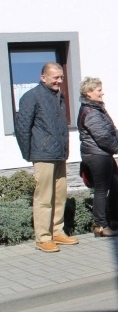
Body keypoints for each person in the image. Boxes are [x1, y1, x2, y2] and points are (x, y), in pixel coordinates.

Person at [14, 62, 78, 253]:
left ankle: (57, 231)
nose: (59, 81)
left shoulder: (58, 95)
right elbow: (22, 128)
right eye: (55, 78)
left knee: (59, 195)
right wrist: (29, 153)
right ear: (43, 77)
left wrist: (65, 149)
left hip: (59, 153)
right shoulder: (31, 96)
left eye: (61, 77)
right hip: (42, 154)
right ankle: (43, 238)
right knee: (44, 197)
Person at [78, 77, 118, 237]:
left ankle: (115, 219)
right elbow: (103, 136)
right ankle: (100, 225)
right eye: (98, 90)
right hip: (96, 156)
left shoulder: (98, 108)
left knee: (116, 184)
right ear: (88, 93)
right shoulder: (90, 112)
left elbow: (112, 128)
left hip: (104, 154)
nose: (102, 93)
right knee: (101, 190)